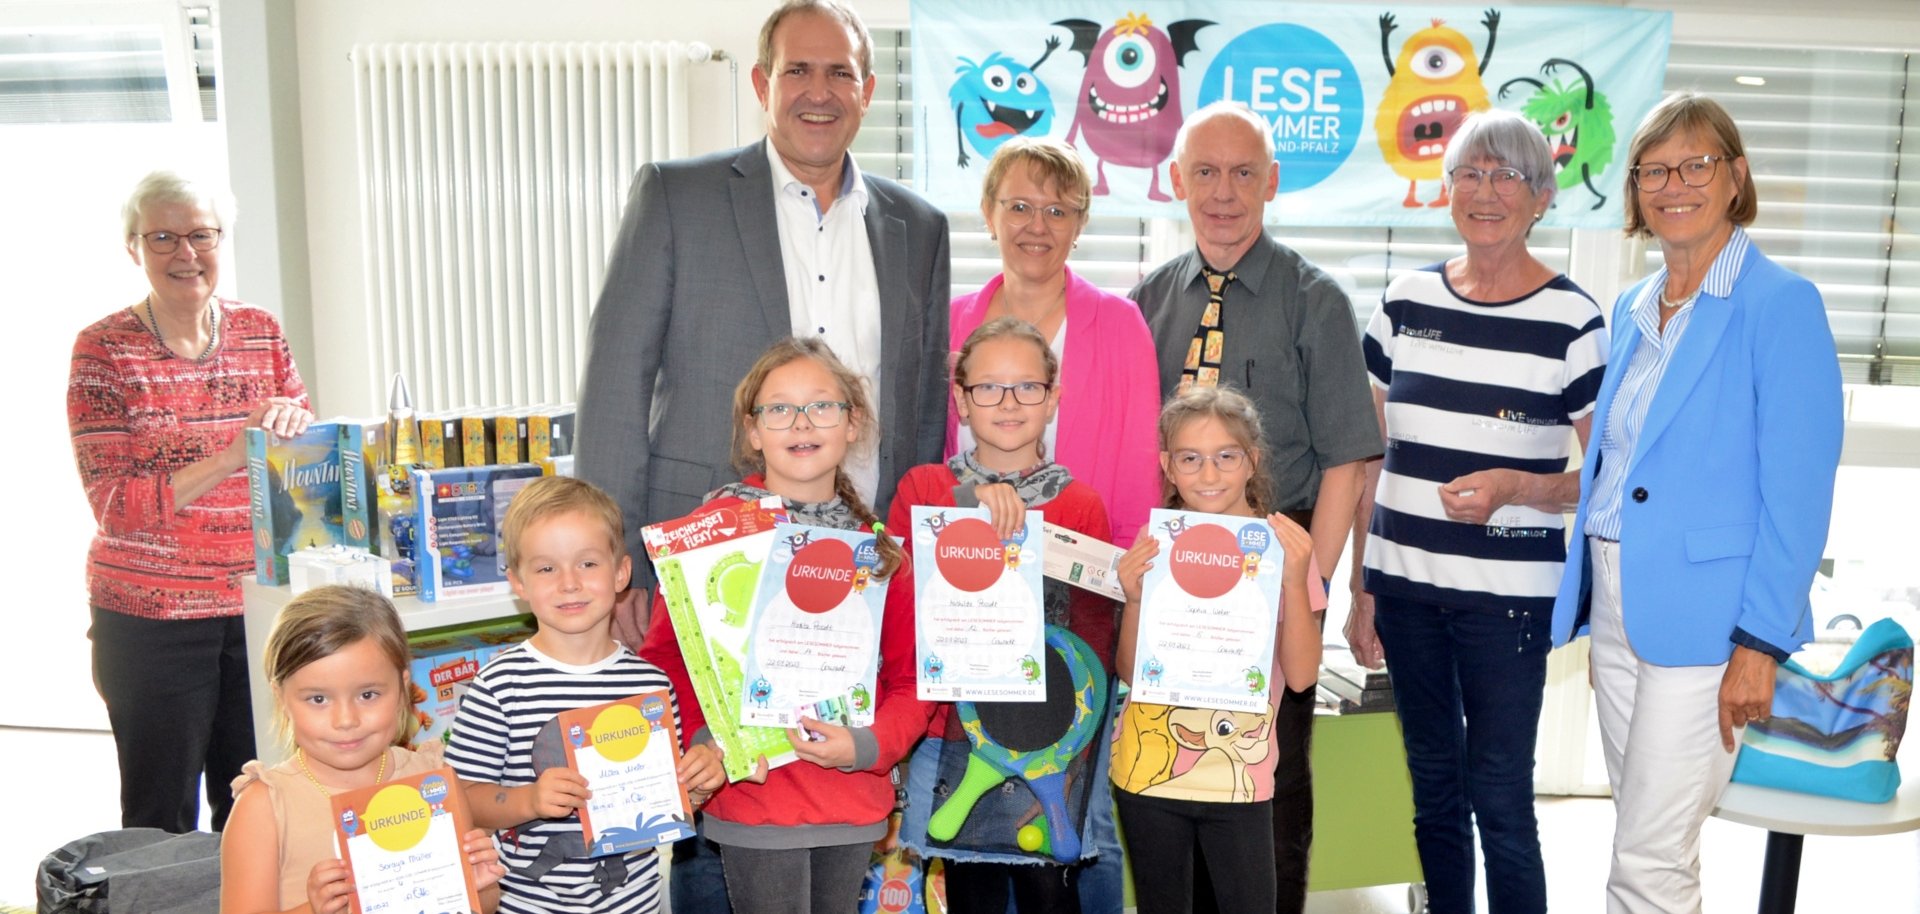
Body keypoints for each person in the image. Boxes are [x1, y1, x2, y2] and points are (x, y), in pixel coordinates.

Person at [1552, 91, 1843, 913]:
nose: (1674, 183)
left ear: (1735, 175)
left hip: (1711, 621)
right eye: (1654, 169)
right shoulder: (1635, 306)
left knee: (1646, 854)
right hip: (1616, 602)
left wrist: (1761, 641)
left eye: (1697, 164)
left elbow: (1799, 493)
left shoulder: (1780, 305)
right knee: (1650, 834)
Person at [575, 0, 951, 590]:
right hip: (703, 553)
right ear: (761, 83)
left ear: (868, 90)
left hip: (865, 563)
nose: (819, 92)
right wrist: (614, 565)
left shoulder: (920, 226)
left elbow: (925, 408)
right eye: (797, 70)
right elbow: (614, 386)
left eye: (840, 73)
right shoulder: (677, 198)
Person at [1344, 110, 1609, 914]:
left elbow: (1607, 477)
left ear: (1541, 199)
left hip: (1508, 602)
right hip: (1406, 588)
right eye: (1469, 174)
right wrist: (1363, 591)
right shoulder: (1403, 299)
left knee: (1498, 794)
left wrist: (1517, 487)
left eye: (1508, 177)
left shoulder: (1573, 320)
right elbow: (1369, 460)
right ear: (1446, 189)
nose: (1485, 192)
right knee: (1432, 789)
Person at [1128, 101, 1379, 910]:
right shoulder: (1148, 301)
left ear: (1271, 182)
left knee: (1271, 779)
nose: (1224, 191)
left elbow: (1348, 457)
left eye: (1243, 173)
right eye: (1205, 172)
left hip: (1276, 564)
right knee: (1180, 771)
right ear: (1177, 182)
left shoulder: (1317, 300)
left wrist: (1306, 582)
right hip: (1174, 580)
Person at [637, 338, 935, 914]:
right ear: (752, 431)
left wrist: (867, 745)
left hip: (850, 793)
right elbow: (669, 659)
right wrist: (704, 742)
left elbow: (912, 678)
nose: (801, 422)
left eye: (822, 405)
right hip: (755, 788)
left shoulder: (879, 552)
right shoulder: (711, 533)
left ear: (853, 424)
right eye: (779, 408)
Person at [69, 169, 315, 833]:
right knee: (160, 816)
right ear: (133, 247)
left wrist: (293, 426)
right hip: (152, 617)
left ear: (221, 239)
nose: (186, 253)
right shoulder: (104, 350)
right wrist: (234, 453)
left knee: (258, 804)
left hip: (259, 609)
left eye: (201, 235)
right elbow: (114, 504)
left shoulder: (260, 331)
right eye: (163, 238)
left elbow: (304, 447)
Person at [891, 317, 1116, 913]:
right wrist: (969, 505)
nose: (1009, 403)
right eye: (988, 388)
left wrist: (1072, 751)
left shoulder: (1081, 503)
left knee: (1050, 891)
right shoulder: (926, 486)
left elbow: (1092, 638)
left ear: (1054, 398)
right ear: (961, 400)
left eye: (1027, 387)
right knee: (971, 892)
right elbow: (895, 591)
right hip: (954, 733)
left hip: (1051, 738)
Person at [1108, 386, 1321, 914]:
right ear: (1168, 466)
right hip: (1149, 771)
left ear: (1252, 461)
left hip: (1240, 778)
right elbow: (1133, 671)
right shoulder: (1155, 544)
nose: (1208, 474)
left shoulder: (1284, 550)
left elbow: (1299, 678)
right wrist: (1134, 599)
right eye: (1190, 459)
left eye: (1226, 456)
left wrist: (1293, 581)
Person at [448, 476, 680, 914]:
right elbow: (460, 801)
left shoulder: (652, 685)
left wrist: (698, 783)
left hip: (635, 905)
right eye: (546, 568)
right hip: (529, 906)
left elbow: (671, 794)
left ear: (621, 573)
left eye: (588, 564)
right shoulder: (499, 686)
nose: (569, 583)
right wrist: (529, 801)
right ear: (518, 583)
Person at [222, 585, 505, 914]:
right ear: (282, 697)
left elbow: (481, 903)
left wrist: (479, 883)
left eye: (368, 695)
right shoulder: (264, 806)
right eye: (318, 699)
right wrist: (315, 910)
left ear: (402, 686)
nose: (346, 720)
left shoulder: (433, 779)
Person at [945, 138, 1160, 545]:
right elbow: (936, 465)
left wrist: (1126, 578)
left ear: (1079, 225)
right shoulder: (950, 322)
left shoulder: (1120, 325)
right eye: (1020, 207)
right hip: (966, 564)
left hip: (1084, 570)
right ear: (989, 213)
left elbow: (1140, 467)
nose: (1037, 226)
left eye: (1057, 211)